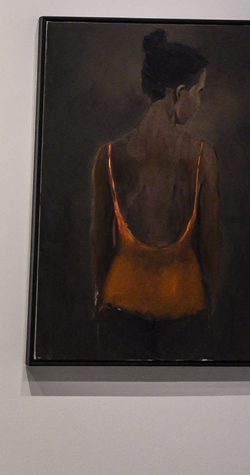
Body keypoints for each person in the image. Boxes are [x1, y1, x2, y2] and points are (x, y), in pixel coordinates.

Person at [90, 29, 221, 360]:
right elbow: (210, 243)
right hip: (186, 307)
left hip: (119, 305)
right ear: (179, 93)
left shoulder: (108, 156)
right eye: (199, 92)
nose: (199, 102)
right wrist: (212, 300)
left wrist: (99, 292)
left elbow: (99, 241)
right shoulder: (202, 156)